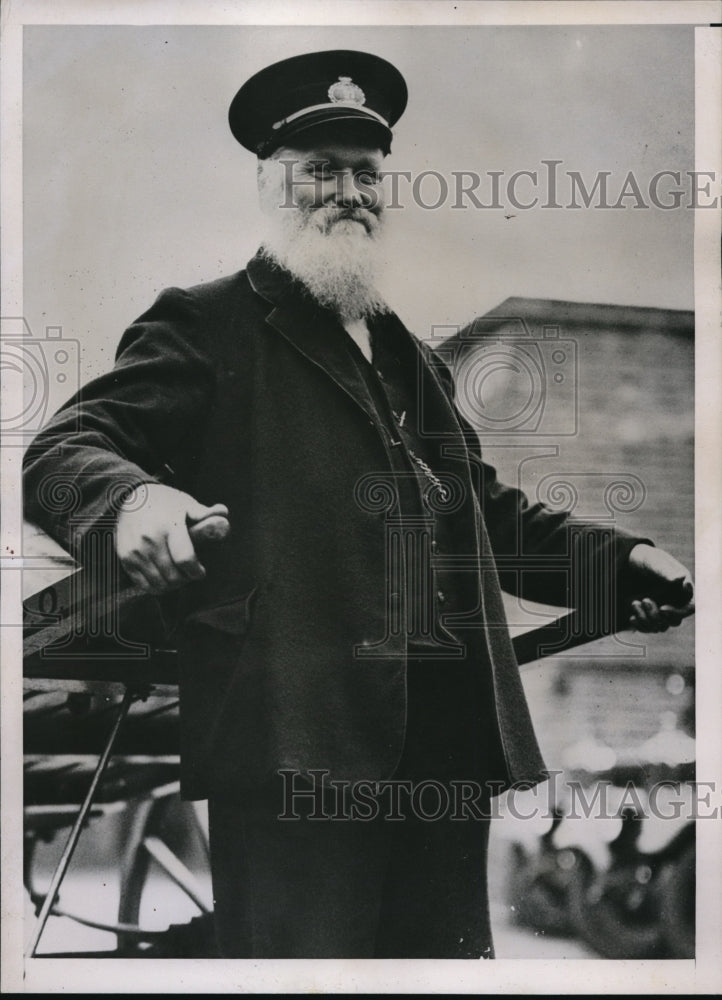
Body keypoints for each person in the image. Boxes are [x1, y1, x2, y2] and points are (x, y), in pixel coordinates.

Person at [23, 49, 694, 959]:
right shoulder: (207, 320)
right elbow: (61, 451)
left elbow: (492, 521)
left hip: (448, 752)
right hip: (296, 743)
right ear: (270, 185)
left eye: (367, 174)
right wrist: (133, 500)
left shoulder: (408, 355)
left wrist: (620, 561)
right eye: (319, 172)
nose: (348, 192)